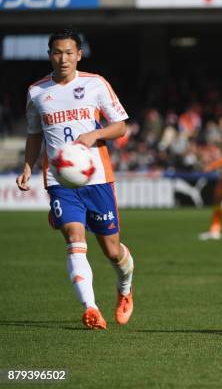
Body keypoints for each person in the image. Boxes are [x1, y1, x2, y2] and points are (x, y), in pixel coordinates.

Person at [16, 28, 135, 330]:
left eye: (69, 52)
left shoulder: (95, 84)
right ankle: (91, 307)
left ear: (79, 54)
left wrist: (95, 133)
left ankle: (124, 289)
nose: (63, 58)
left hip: (97, 178)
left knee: (111, 250)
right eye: (58, 52)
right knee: (74, 237)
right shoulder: (36, 92)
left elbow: (120, 126)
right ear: (50, 55)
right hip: (60, 180)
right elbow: (34, 134)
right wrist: (28, 166)